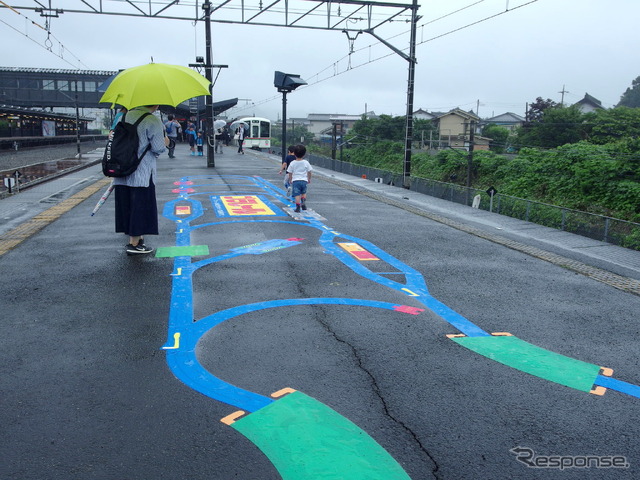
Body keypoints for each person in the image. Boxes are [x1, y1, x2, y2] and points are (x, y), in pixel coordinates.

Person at [112, 105, 167, 255]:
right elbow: (158, 148)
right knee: (140, 206)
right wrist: (165, 141)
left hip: (122, 170)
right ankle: (134, 245)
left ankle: (138, 240)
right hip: (142, 172)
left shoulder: (122, 117)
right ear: (155, 104)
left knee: (128, 206)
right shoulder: (151, 120)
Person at [286, 144, 313, 213]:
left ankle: (298, 207)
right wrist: (309, 178)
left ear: (294, 153)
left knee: (297, 194)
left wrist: (290, 179)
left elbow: (290, 172)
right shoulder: (306, 162)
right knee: (303, 192)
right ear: (304, 154)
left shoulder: (292, 163)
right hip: (304, 180)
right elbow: (309, 171)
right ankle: (303, 201)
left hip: (296, 181)